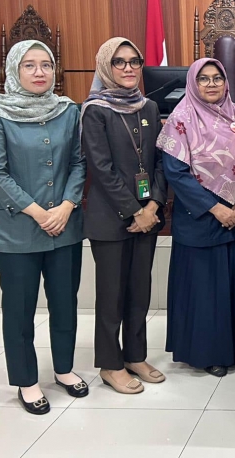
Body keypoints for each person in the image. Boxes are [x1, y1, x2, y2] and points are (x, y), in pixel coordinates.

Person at [0, 40, 87, 414]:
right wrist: (39, 212)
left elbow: (78, 162)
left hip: (66, 227)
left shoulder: (69, 110)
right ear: (14, 71)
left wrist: (68, 205)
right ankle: (26, 379)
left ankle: (65, 369)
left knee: (64, 303)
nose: (40, 73)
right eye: (30, 66)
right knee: (20, 309)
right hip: (17, 230)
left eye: (46, 65)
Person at [158, 58, 235, 377]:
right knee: (206, 289)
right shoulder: (180, 119)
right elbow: (176, 172)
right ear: (192, 82)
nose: (211, 84)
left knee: (234, 285)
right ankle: (208, 352)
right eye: (203, 79)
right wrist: (215, 208)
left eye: (217, 78)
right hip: (201, 218)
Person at [81, 37, 167, 394]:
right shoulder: (93, 110)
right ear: (106, 66)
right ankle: (110, 364)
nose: (129, 68)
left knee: (139, 290)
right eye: (120, 62)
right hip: (110, 218)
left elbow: (160, 162)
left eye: (135, 61)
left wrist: (153, 205)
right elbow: (100, 169)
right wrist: (134, 210)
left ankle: (134, 355)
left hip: (146, 214)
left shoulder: (148, 107)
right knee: (112, 294)